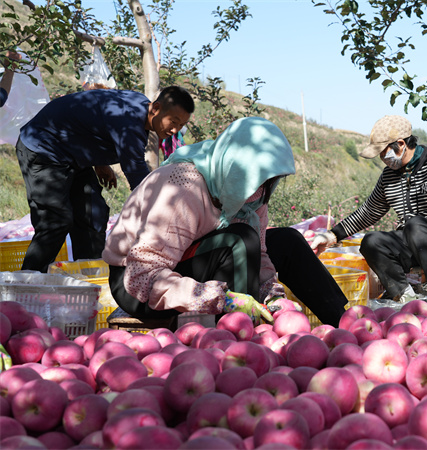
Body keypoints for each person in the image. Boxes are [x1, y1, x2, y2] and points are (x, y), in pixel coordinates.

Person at [103, 117, 348, 326]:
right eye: (257, 179)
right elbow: (142, 277)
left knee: (287, 241)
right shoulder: (184, 188)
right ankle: (243, 338)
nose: (261, 190)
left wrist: (270, 293)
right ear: (235, 168)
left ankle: (344, 324)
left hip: (198, 256)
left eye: (268, 181)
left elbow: (260, 252)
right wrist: (221, 298)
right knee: (239, 239)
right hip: (139, 283)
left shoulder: (253, 195)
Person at [311, 115, 427, 313]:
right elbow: (369, 211)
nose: (382, 158)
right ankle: (404, 295)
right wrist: (332, 235)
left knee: (415, 225)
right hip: (417, 245)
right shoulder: (389, 176)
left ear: (400, 144)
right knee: (372, 241)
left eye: (383, 152)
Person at [16, 86, 194, 272]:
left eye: (181, 125)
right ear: (156, 109)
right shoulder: (130, 124)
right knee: (56, 221)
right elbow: (139, 180)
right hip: (43, 148)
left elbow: (97, 118)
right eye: (173, 121)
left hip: (71, 154)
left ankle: (90, 281)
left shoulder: (139, 103)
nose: (175, 129)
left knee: (93, 215)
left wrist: (100, 161)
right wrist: (167, 215)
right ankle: (28, 283)